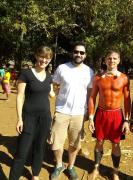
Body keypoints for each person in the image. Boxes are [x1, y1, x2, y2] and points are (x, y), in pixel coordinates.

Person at [9, 46, 55, 180]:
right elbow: (20, 96)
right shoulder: (26, 73)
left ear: (50, 60)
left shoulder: (49, 76)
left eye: (47, 58)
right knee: (22, 151)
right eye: (42, 56)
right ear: (36, 56)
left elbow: (51, 94)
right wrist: (19, 119)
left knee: (40, 148)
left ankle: (35, 174)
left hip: (45, 117)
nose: (44, 60)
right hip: (28, 117)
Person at [49, 42, 94, 180]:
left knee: (75, 143)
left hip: (79, 113)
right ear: (72, 53)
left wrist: (88, 112)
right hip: (62, 110)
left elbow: (90, 93)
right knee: (56, 142)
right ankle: (59, 165)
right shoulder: (62, 68)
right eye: (76, 52)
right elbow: (54, 84)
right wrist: (53, 92)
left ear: (85, 55)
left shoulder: (89, 71)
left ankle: (71, 166)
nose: (78, 54)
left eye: (81, 52)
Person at [88, 50, 131, 180]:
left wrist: (127, 120)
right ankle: (96, 167)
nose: (112, 61)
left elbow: (127, 100)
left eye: (114, 58)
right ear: (105, 60)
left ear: (119, 60)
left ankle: (116, 171)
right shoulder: (98, 77)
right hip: (101, 114)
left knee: (116, 144)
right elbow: (92, 97)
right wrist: (90, 117)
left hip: (117, 115)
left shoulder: (124, 78)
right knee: (99, 141)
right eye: (109, 58)